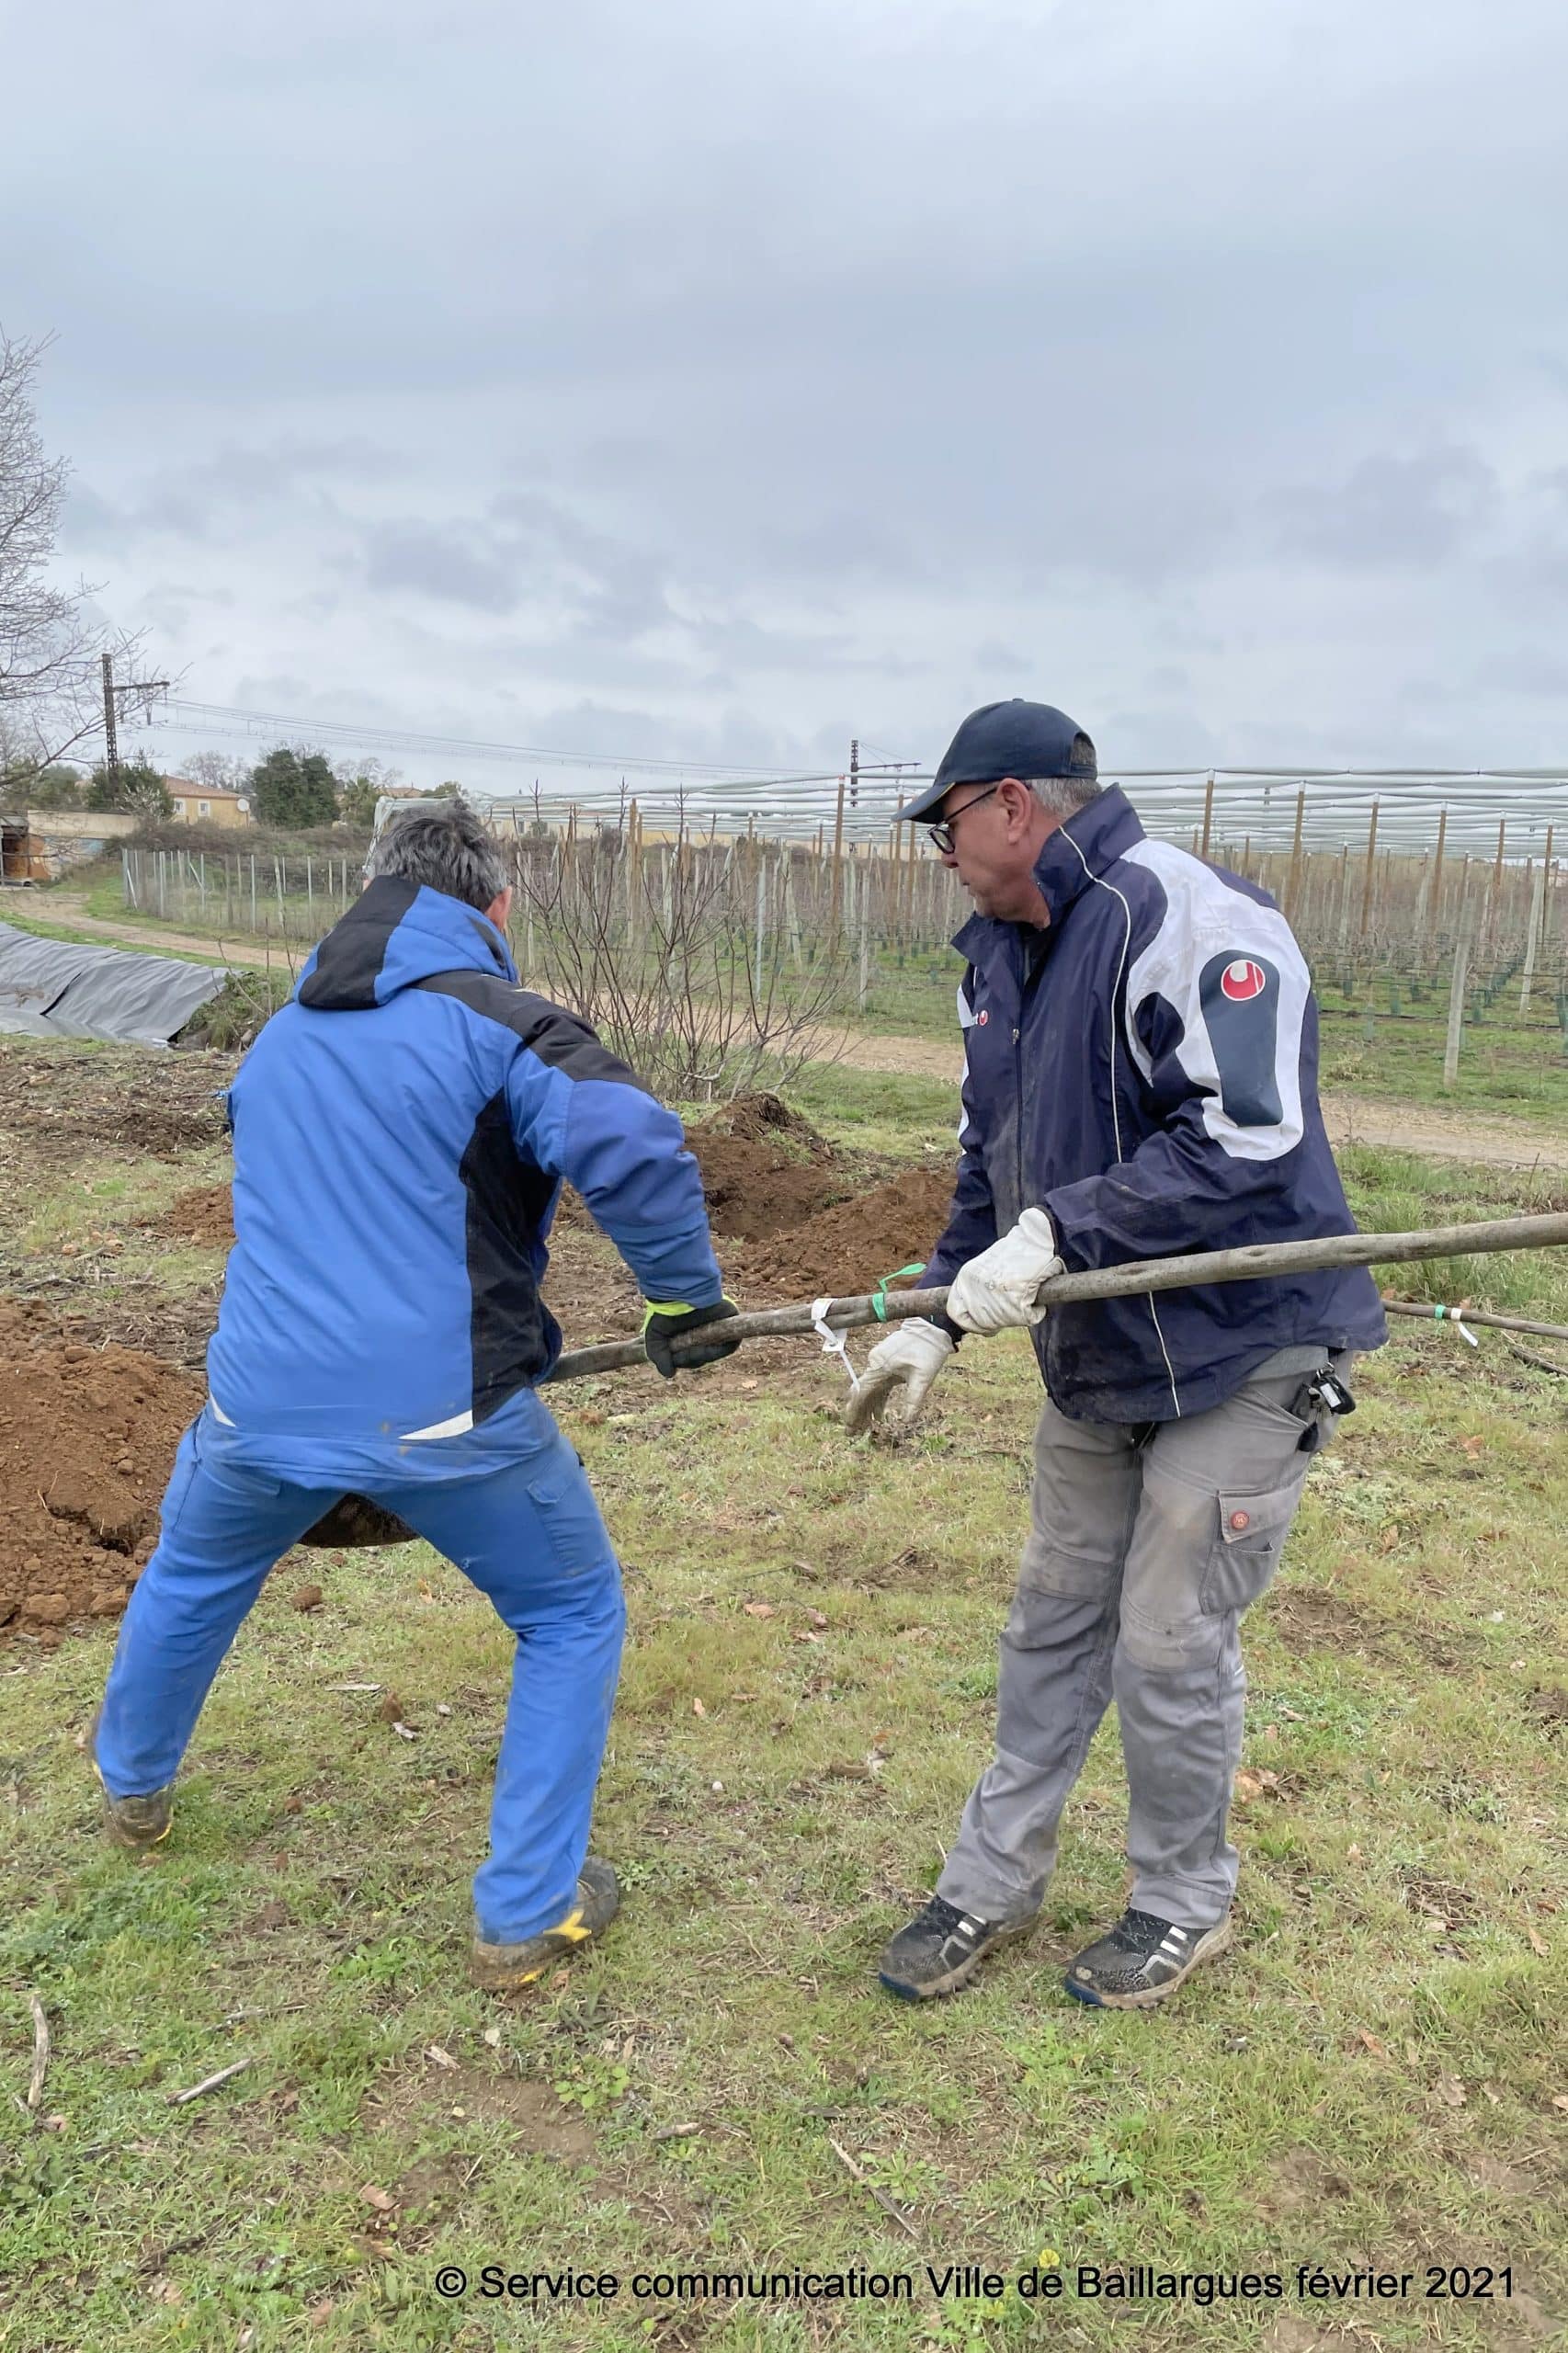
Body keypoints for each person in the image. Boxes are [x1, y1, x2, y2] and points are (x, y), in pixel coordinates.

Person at [92, 802, 738, 1991]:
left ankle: (132, 1790)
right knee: (570, 1613)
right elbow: (634, 1143)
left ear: (372, 889)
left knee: (194, 1570)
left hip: (251, 1405)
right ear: (495, 907)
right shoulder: (501, 1026)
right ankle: (528, 1911)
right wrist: (684, 1301)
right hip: (442, 1414)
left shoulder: (280, 1036)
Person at [851, 700, 1384, 2009]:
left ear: (1013, 805)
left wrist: (1059, 1229)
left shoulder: (1190, 919)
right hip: (1102, 1354)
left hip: (1245, 1341)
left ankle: (1181, 1900)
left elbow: (1248, 1140)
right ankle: (991, 1881)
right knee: (1052, 1617)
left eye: (945, 823)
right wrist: (934, 1312)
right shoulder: (994, 966)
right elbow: (991, 1164)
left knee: (1166, 1639)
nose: (939, 851)